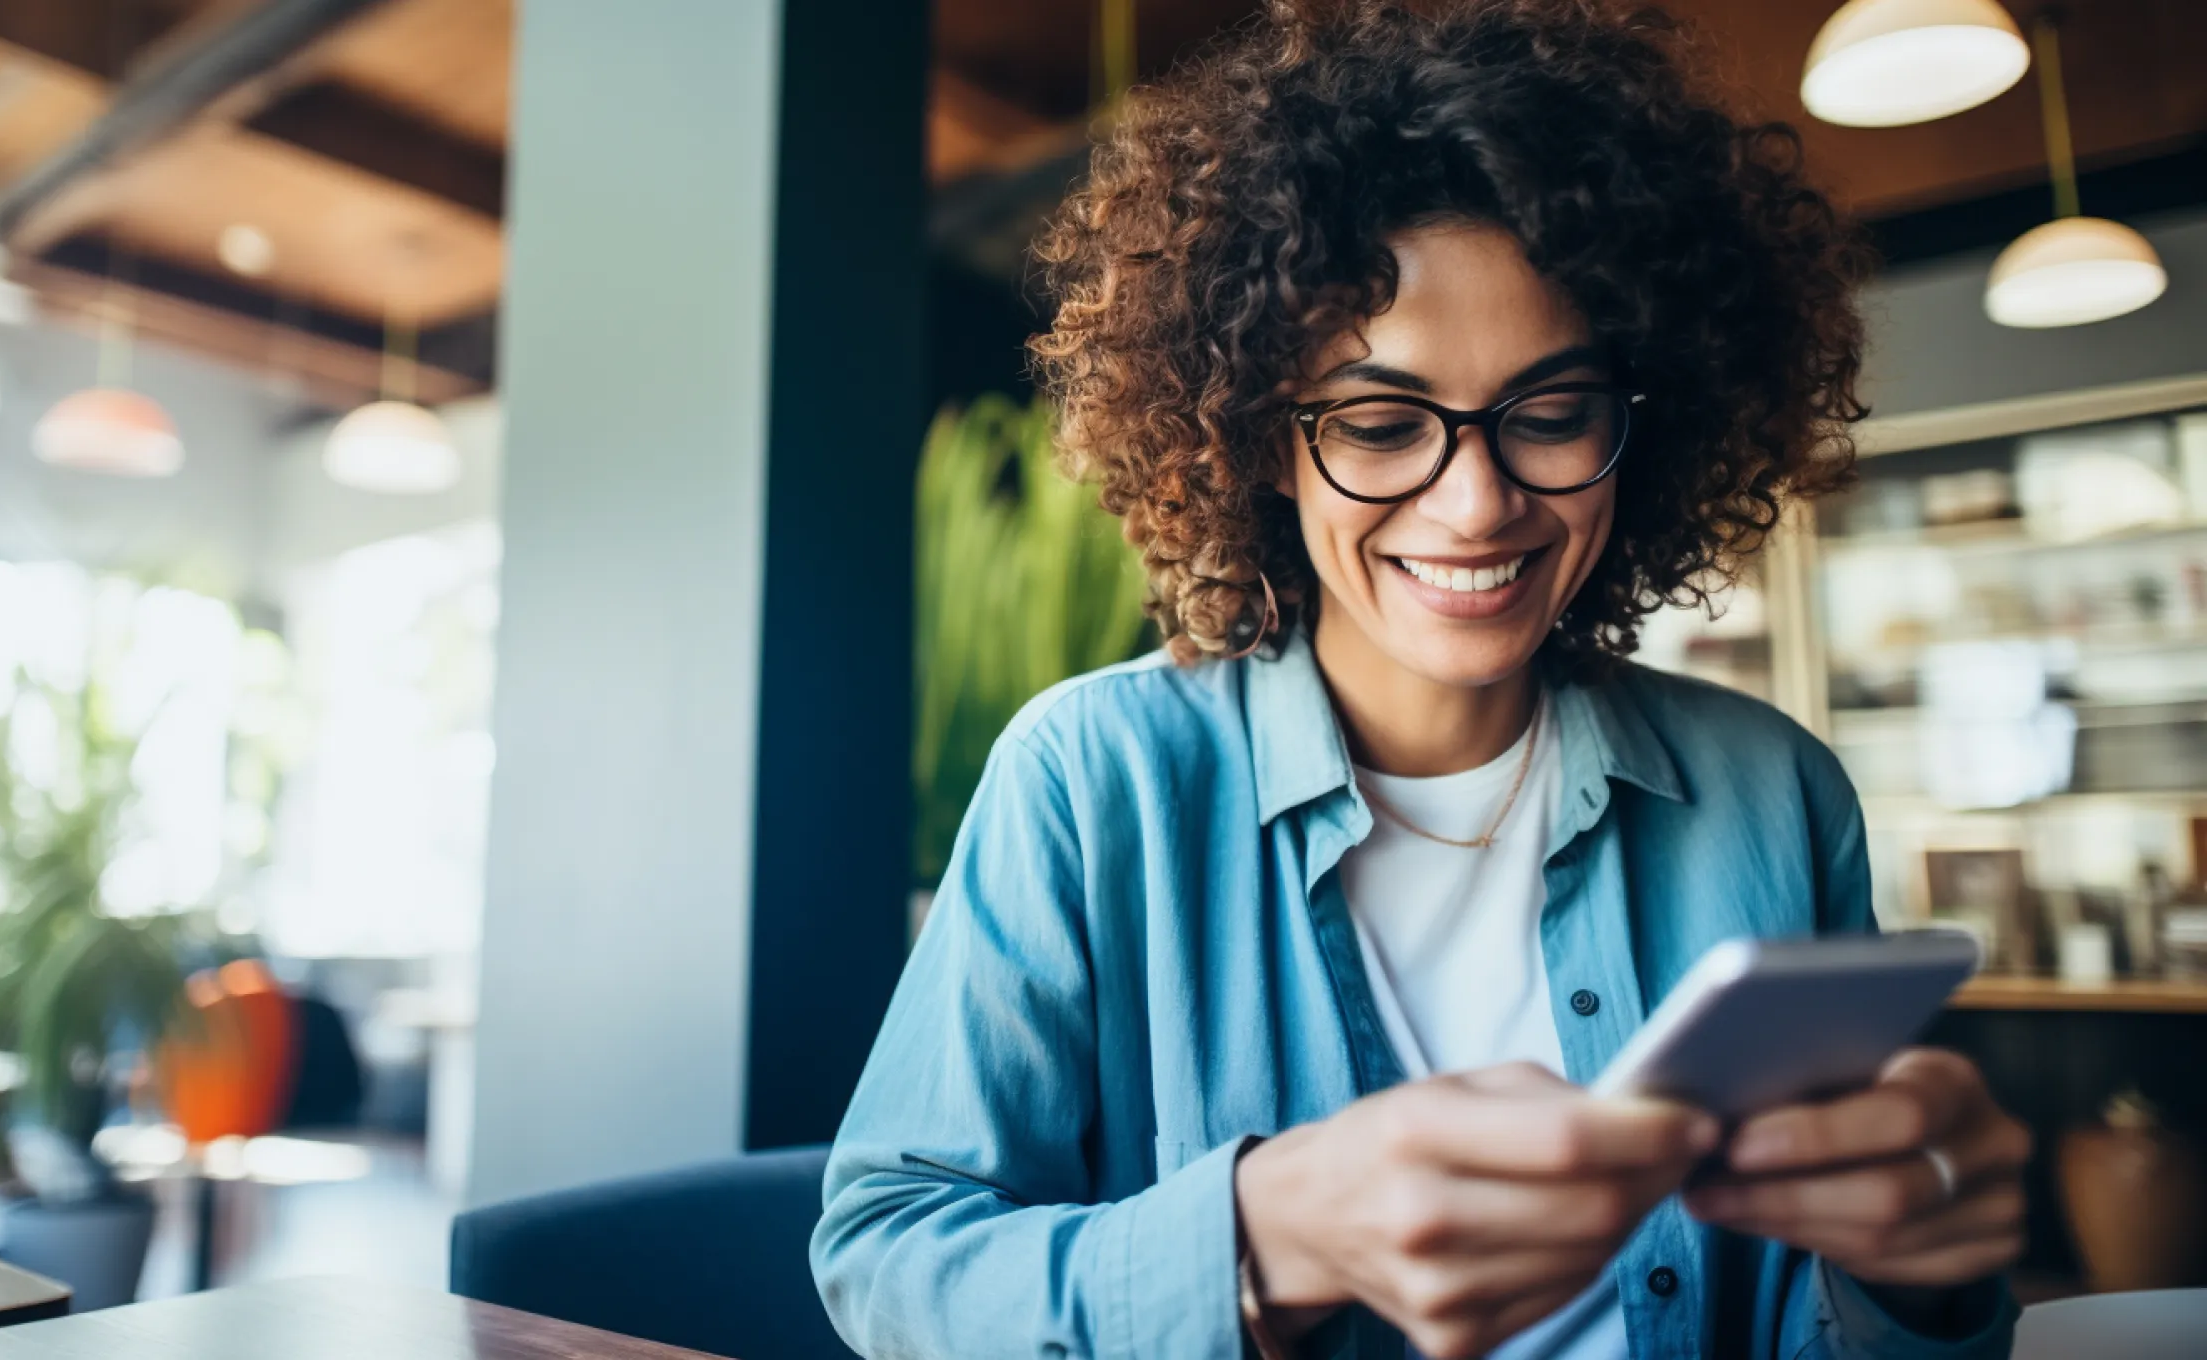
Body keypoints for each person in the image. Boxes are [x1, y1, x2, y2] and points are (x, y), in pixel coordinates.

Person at [811, 2, 2029, 1356]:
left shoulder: (1769, 793)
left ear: (1649, 422)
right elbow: (888, 1262)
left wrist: (1922, 1277)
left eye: (1553, 413)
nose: (1477, 505)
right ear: (1260, 442)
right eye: (1385, 426)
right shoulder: (1098, 780)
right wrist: (1270, 1231)